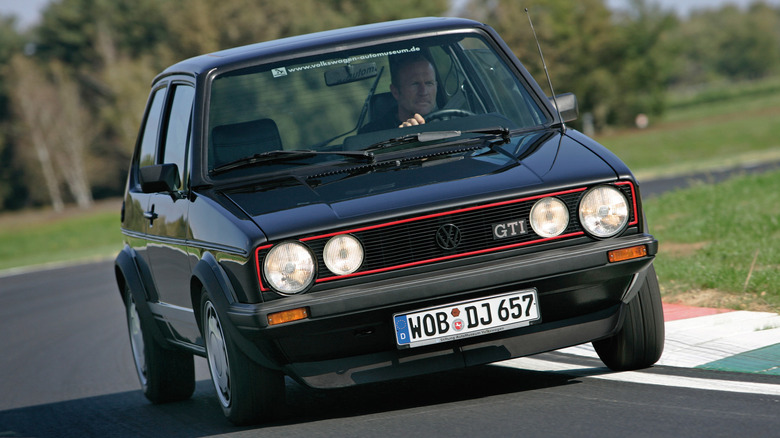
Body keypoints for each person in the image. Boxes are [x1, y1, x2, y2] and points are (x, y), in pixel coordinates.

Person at [359, 53, 438, 133]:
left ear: (436, 86)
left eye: (429, 83)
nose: (423, 92)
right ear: (395, 92)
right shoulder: (371, 134)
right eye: (415, 84)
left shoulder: (448, 121)